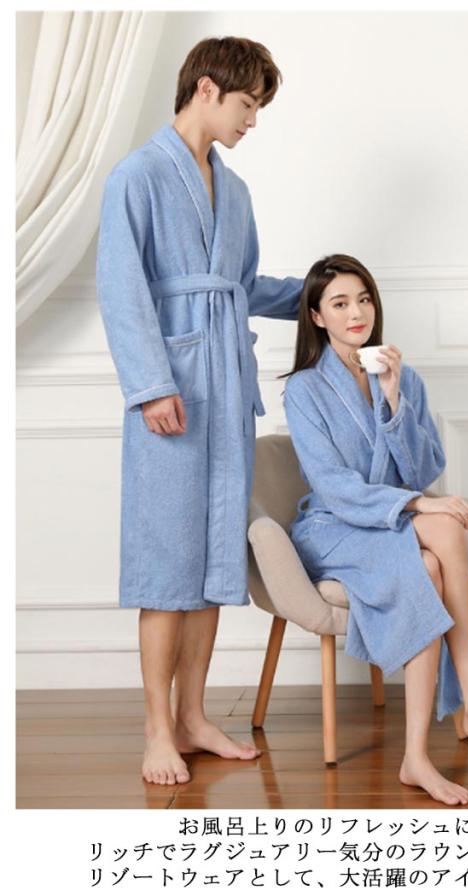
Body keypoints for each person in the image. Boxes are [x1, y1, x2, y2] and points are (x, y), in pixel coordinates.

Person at [96, 37, 304, 786]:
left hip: (227, 390)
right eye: (247, 104)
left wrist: (320, 292)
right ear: (208, 89)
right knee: (166, 563)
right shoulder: (138, 175)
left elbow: (242, 286)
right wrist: (151, 385)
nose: (253, 120)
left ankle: (193, 716)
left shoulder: (235, 191)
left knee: (216, 562)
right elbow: (121, 286)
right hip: (173, 391)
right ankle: (157, 728)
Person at [282, 254, 468, 805]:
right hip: (333, 528)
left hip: (391, 524)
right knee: (440, 528)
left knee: (428, 562)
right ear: (317, 317)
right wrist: (419, 504)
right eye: (340, 303)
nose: (356, 313)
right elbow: (332, 486)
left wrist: (395, 397)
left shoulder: (403, 376)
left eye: (364, 299)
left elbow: (423, 469)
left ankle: (417, 756)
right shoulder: (304, 389)